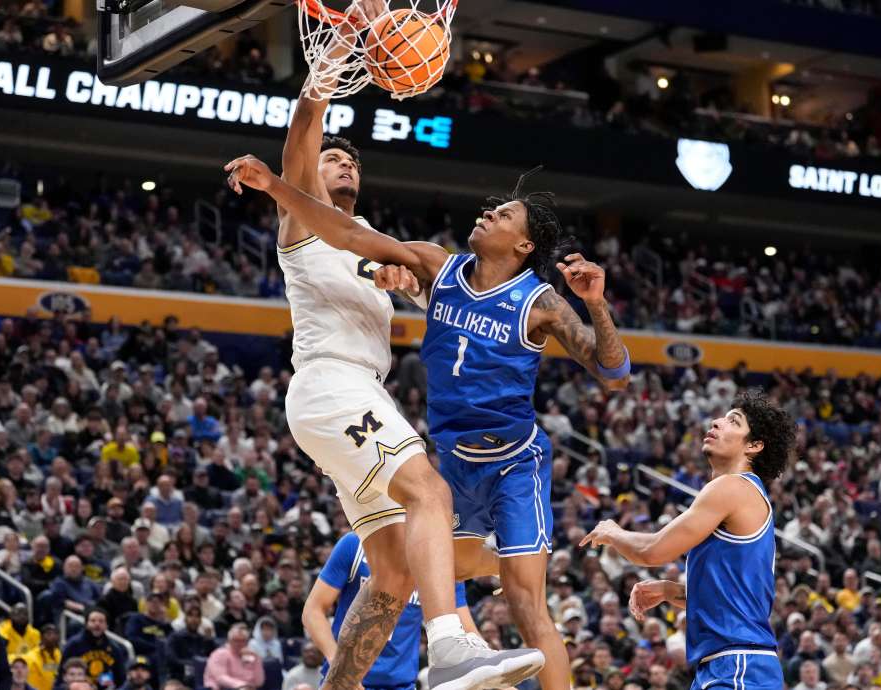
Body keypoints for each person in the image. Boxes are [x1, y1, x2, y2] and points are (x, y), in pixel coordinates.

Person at [224, 156, 629, 690]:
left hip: (513, 461)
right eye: (491, 207)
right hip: (454, 460)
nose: (488, 213)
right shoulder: (438, 267)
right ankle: (412, 656)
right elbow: (345, 233)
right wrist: (275, 188)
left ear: (524, 246)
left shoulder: (542, 302)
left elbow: (614, 373)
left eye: (503, 214)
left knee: (529, 604)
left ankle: (479, 618)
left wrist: (596, 305)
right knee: (397, 572)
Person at [580, 390, 796, 690]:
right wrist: (674, 591)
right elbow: (733, 600)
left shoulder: (732, 488)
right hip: (731, 665)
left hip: (738, 667)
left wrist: (613, 532)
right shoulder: (744, 495)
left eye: (733, 421)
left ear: (754, 445)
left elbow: (652, 551)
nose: (717, 422)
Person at [303, 532, 478, 690]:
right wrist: (341, 666)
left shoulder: (441, 558)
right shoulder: (354, 544)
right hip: (345, 682)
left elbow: (466, 631)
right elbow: (313, 610)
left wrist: (494, 670)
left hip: (401, 685)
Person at [60, 608, 126, 689]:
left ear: (107, 625)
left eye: (101, 621)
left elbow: (121, 679)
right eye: (93, 621)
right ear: (86, 624)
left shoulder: (114, 648)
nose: (97, 624)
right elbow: (60, 676)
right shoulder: (73, 645)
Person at [202, 623, 263, 690]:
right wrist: (243, 686)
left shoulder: (251, 656)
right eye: (236, 640)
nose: (239, 644)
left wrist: (257, 659)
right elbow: (220, 678)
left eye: (243, 641)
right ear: (229, 641)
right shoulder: (220, 654)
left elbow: (258, 682)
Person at [21, 624, 62, 690]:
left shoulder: (58, 653)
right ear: (41, 637)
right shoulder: (31, 658)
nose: (53, 637)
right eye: (49, 634)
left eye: (56, 634)